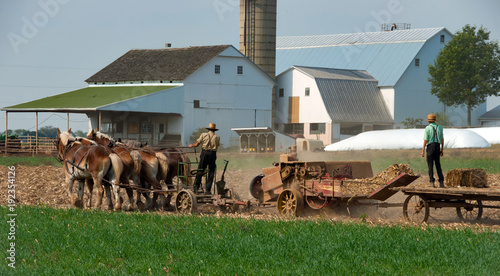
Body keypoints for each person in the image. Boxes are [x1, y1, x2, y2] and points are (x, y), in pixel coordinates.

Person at [189, 123, 221, 194]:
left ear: (208, 129)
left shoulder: (203, 135)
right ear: (214, 130)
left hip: (205, 153)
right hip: (213, 154)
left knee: (200, 170)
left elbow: (197, 144)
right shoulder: (217, 137)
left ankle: (196, 188)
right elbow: (217, 145)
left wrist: (192, 145)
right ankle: (208, 190)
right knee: (211, 172)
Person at [421, 114, 444, 188]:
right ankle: (441, 181)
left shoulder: (427, 128)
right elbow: (442, 139)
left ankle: (432, 182)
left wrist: (423, 150)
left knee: (430, 165)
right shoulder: (439, 127)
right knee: (438, 164)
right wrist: (442, 149)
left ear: (429, 121)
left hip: (430, 146)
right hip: (437, 146)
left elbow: (425, 140)